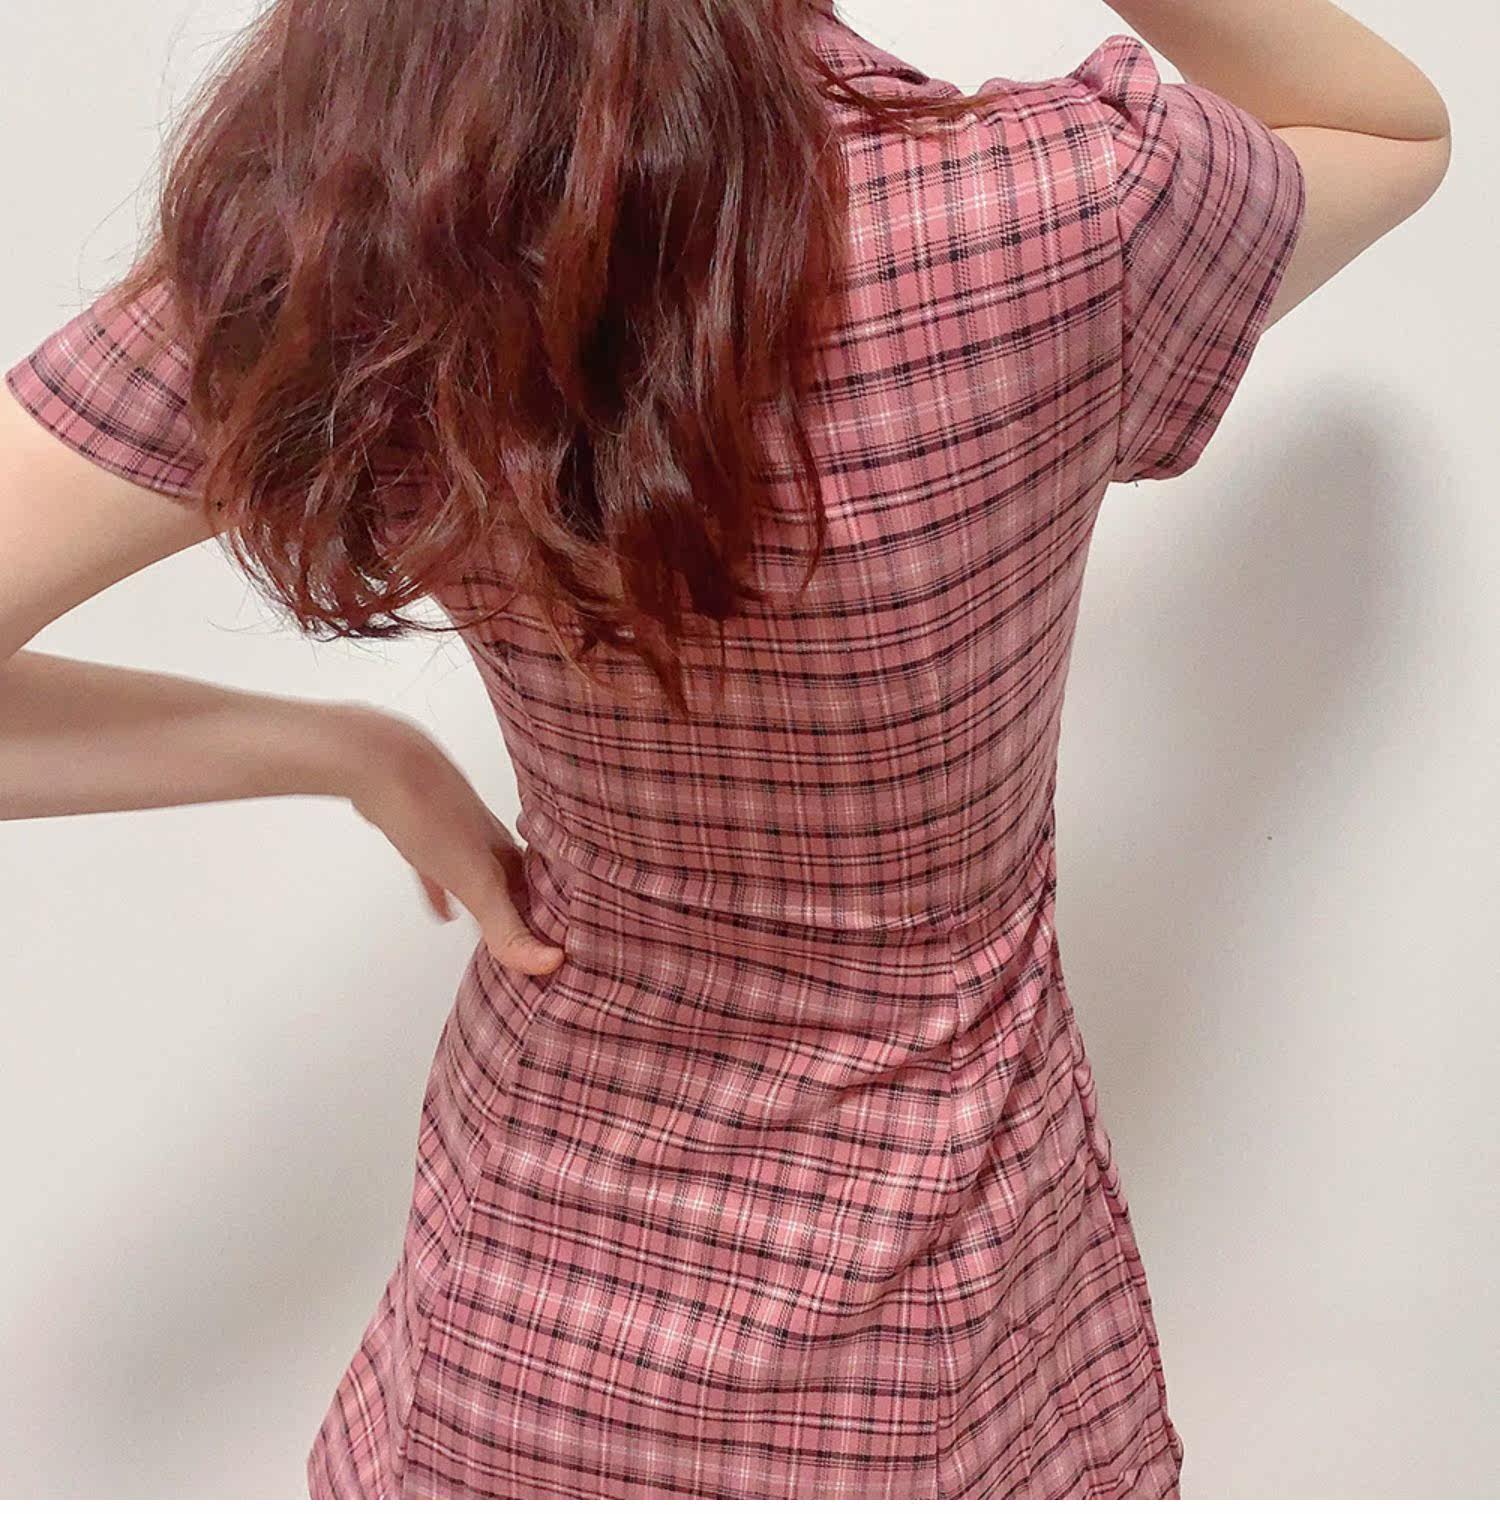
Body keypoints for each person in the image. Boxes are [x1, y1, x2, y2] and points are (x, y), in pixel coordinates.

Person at [0, 0, 1450, 1499]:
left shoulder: (365, 242)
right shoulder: (1049, 214)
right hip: (923, 1322)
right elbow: (1389, 127)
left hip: (527, 1323)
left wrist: (350, 753)